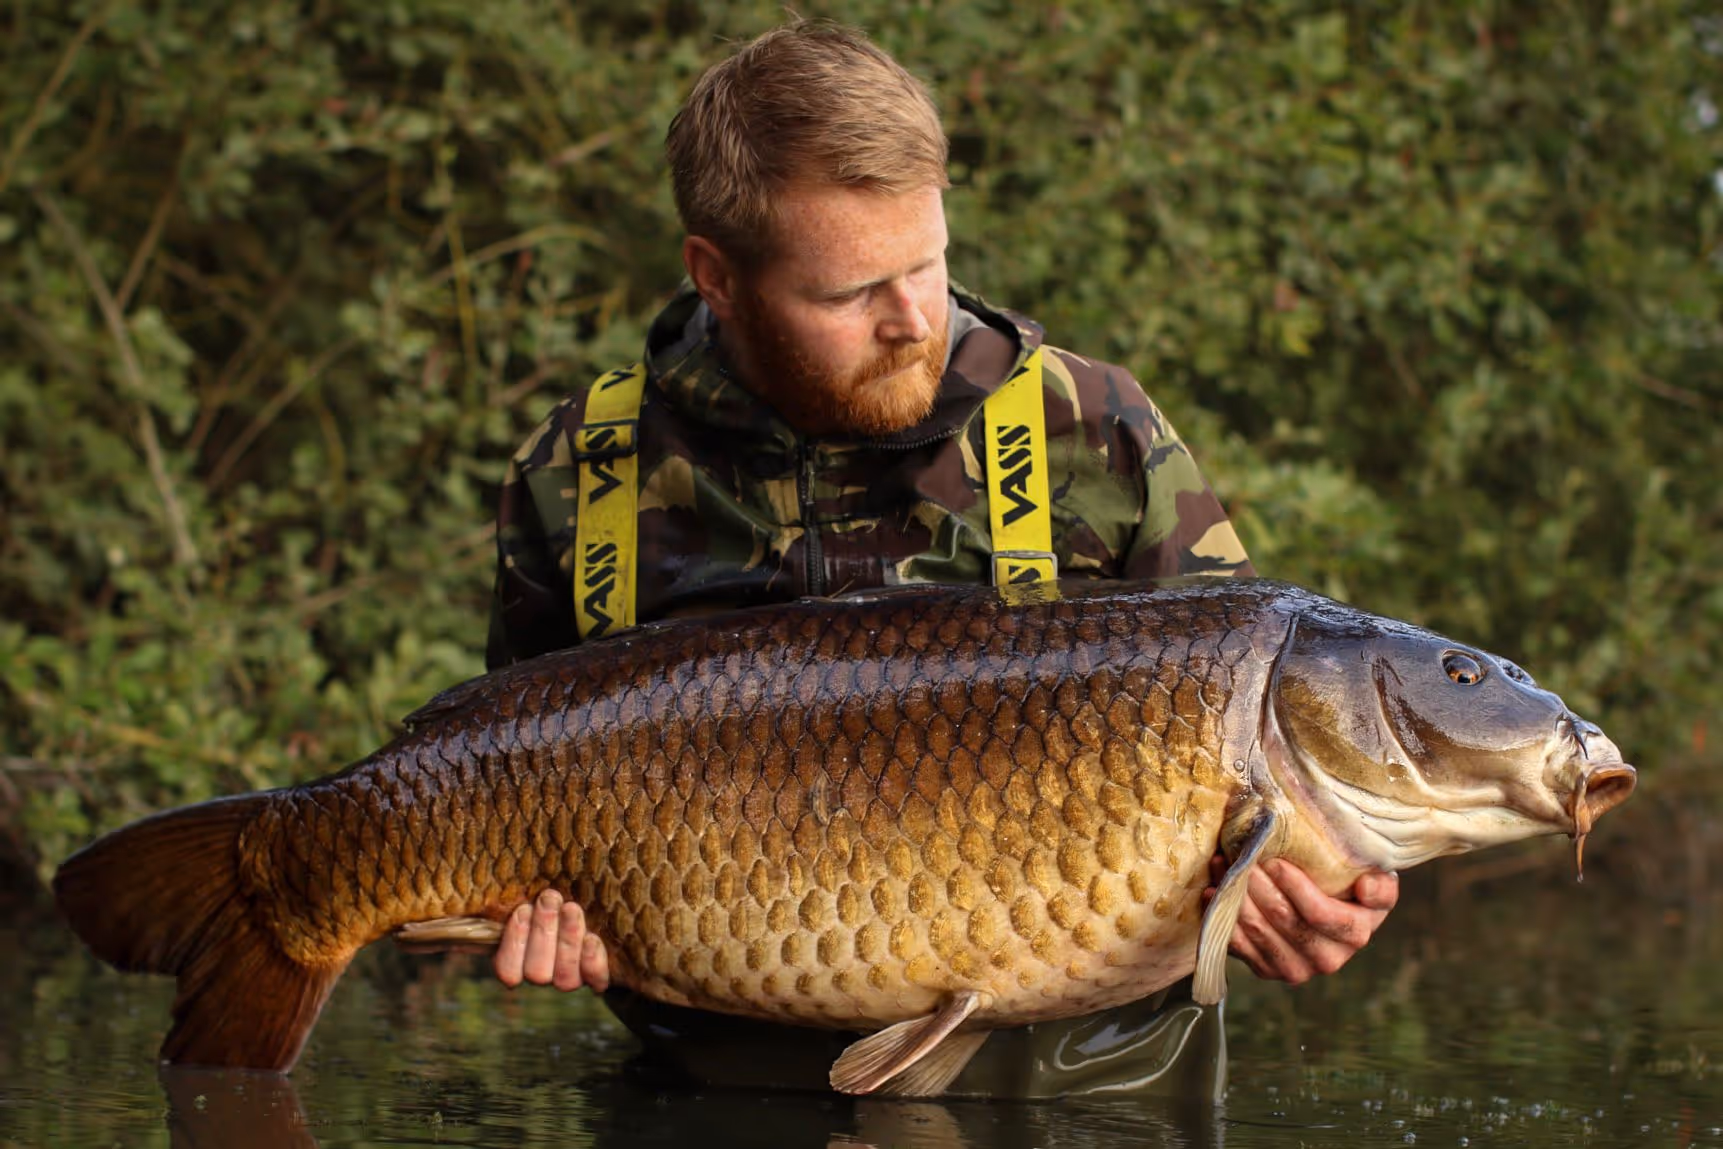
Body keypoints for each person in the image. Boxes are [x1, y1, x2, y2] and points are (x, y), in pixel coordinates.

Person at [477, 19, 1397, 1098]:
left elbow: (1261, 743)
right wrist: (527, 916)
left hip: (1084, 1099)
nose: (912, 319)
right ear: (715, 278)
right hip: (715, 1099)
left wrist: (1318, 895)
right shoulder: (583, 470)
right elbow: (502, 788)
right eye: (848, 292)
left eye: (928, 262)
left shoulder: (1092, 428)